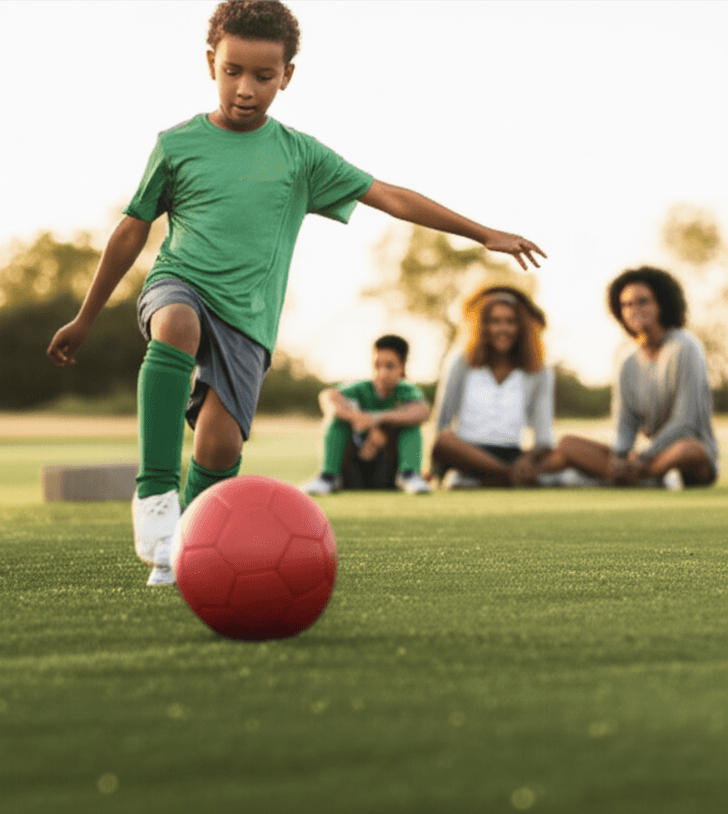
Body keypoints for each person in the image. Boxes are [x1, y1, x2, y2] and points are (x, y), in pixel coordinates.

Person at [47, 0, 545, 585]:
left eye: (263, 76)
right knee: (176, 323)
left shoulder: (300, 156)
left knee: (216, 448)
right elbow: (132, 229)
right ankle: (155, 496)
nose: (246, 89)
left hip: (247, 320)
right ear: (212, 63)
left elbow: (389, 196)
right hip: (179, 283)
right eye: (233, 71)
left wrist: (483, 233)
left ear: (287, 75)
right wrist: (85, 317)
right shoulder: (177, 144)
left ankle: (182, 549)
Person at [551, 267, 719, 489]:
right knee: (567, 444)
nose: (634, 310)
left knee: (688, 450)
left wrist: (645, 455)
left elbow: (686, 421)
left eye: (643, 302)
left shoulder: (685, 346)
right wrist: (620, 456)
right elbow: (625, 423)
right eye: (626, 305)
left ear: (661, 304)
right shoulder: (627, 360)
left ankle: (629, 477)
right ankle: (637, 477)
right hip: (645, 459)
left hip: (683, 455)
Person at [432, 286, 562, 488]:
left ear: (521, 327)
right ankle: (508, 477)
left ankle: (497, 476)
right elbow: (442, 425)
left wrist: (529, 460)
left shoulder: (539, 370)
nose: (502, 329)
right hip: (467, 453)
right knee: (444, 441)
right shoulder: (461, 362)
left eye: (510, 322)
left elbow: (543, 435)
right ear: (482, 326)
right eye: (495, 322)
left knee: (566, 450)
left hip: (511, 452)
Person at [301, 335, 431, 495]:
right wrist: (358, 419)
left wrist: (377, 420)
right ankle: (328, 476)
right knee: (337, 422)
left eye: (390, 366)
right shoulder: (360, 387)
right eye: (377, 365)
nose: (382, 373)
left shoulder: (406, 390)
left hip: (388, 467)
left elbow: (423, 411)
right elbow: (328, 397)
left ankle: (409, 474)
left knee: (411, 426)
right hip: (355, 464)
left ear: (402, 367)